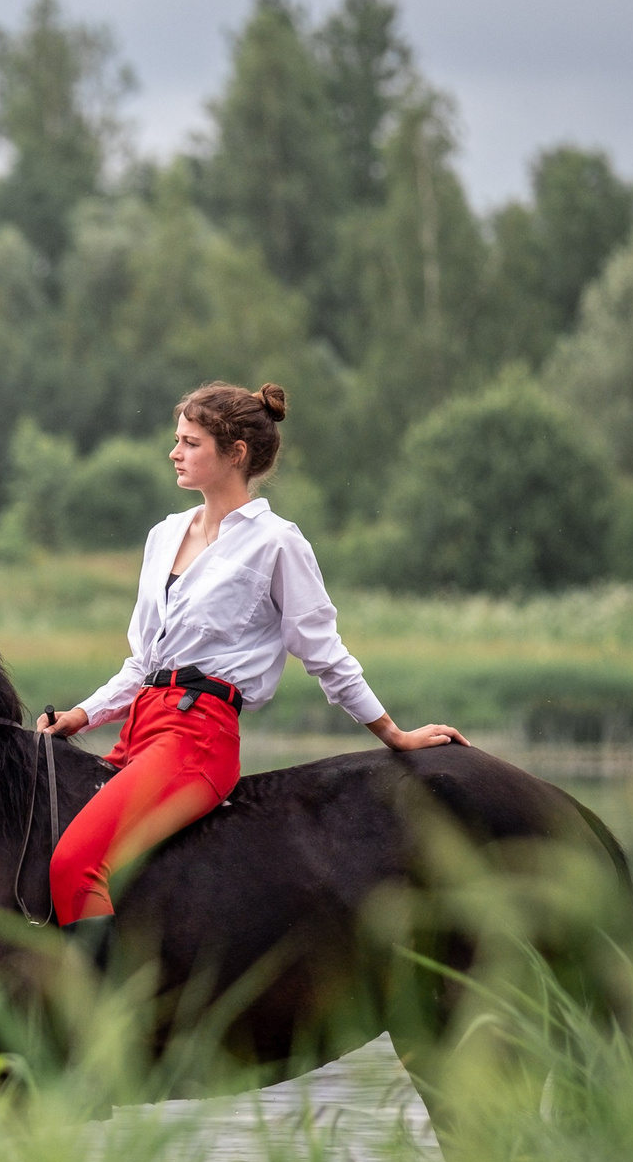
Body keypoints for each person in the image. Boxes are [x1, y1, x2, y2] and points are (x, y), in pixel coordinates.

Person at [35, 381, 466, 955]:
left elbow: (324, 652)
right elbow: (144, 662)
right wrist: (82, 715)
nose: (174, 452)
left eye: (191, 443)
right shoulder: (163, 536)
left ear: (235, 453)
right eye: (177, 440)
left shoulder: (277, 543)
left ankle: (95, 1008)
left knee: (75, 863)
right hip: (140, 728)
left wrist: (394, 734)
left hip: (198, 741)